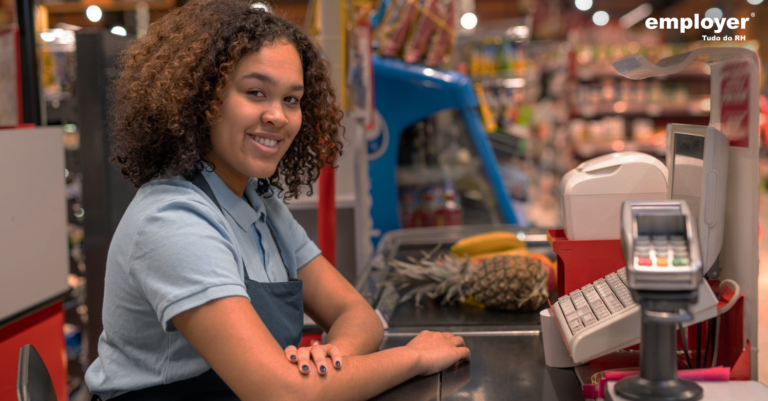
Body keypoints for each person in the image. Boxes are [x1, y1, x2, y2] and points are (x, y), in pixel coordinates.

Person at [84, 1, 470, 399]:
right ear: (201, 100)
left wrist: (331, 362)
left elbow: (359, 315)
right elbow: (284, 394)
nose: (278, 117)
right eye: (255, 92)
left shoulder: (260, 204)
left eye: (291, 99)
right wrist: (416, 357)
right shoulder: (172, 221)